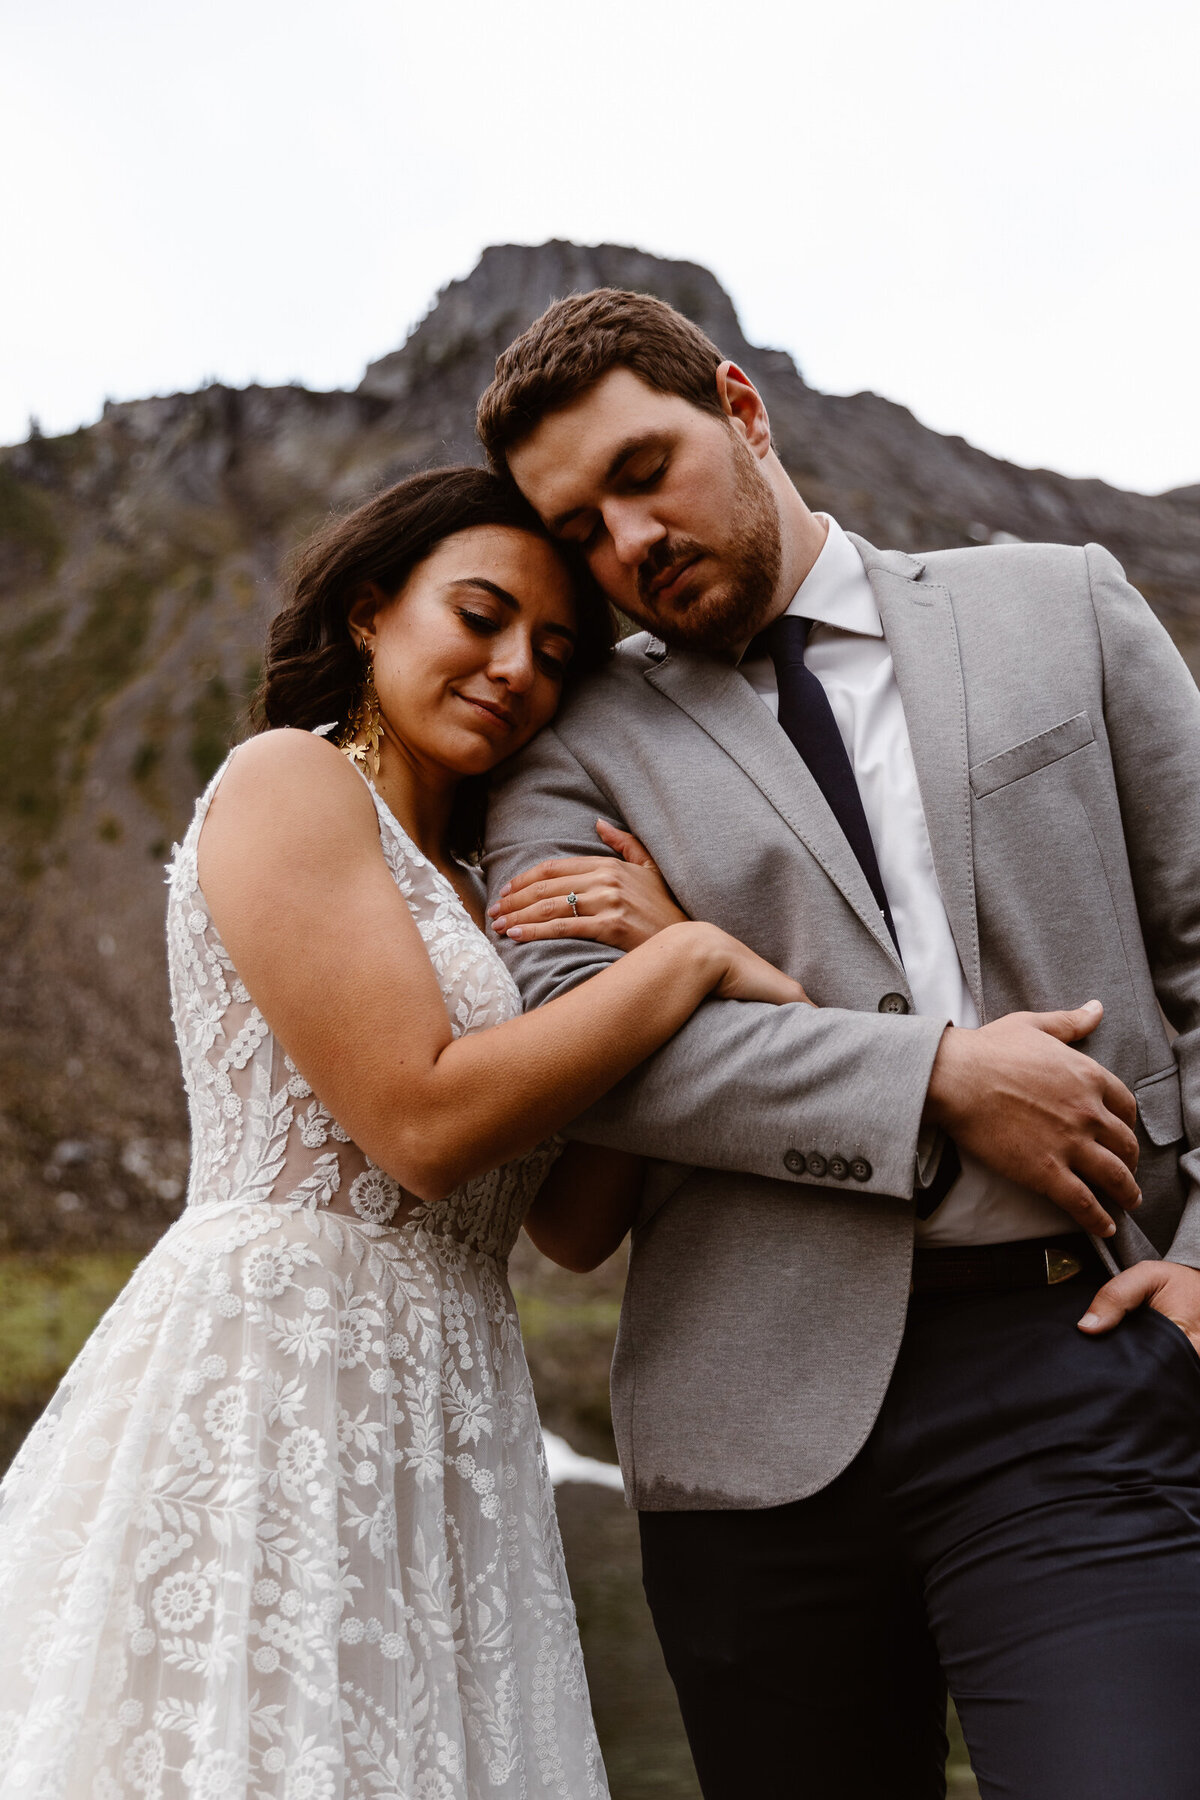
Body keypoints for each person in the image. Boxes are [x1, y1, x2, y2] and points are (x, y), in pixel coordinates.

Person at [475, 289, 1200, 1800]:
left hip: (1080, 1359)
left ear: (740, 407)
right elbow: (574, 1045)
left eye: (642, 470)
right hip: (746, 1443)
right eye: (581, 525)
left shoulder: (1059, 602)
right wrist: (935, 1076)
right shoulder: (565, 741)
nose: (626, 542)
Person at [0, 466, 810, 1800]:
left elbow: (573, 1219)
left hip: (455, 1388)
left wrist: (651, 968)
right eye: (479, 617)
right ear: (373, 614)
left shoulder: (501, 885)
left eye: (554, 653)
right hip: (278, 1365)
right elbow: (425, 1126)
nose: (513, 670)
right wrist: (698, 965)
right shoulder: (289, 782)